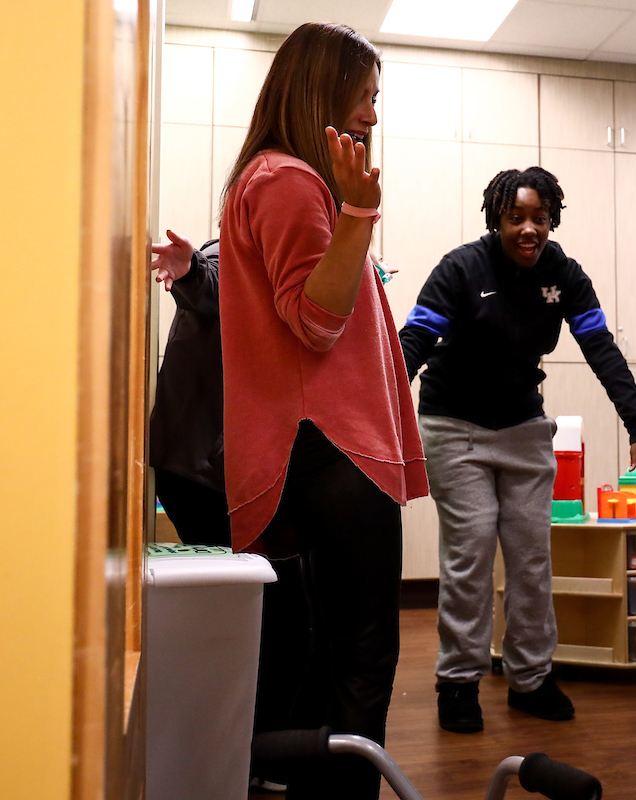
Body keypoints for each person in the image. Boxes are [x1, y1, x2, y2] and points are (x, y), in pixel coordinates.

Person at [398, 166, 636, 734]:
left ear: (552, 219)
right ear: (497, 219)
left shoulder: (564, 275)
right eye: (517, 218)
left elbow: (600, 348)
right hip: (453, 425)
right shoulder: (461, 268)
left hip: (524, 428)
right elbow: (413, 344)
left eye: (541, 218)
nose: (530, 229)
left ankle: (530, 678)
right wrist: (377, 417)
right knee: (471, 555)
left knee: (532, 559)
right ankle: (458, 681)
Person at [218, 22, 427, 800]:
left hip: (318, 452)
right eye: (365, 95)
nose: (371, 116)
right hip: (331, 449)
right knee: (362, 665)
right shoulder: (288, 181)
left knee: (325, 660)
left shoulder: (275, 179)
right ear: (323, 89)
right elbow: (314, 319)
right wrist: (358, 216)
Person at [148, 232, 229, 547]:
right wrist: (192, 268)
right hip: (198, 472)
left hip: (198, 465)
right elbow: (212, 283)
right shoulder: (232, 254)